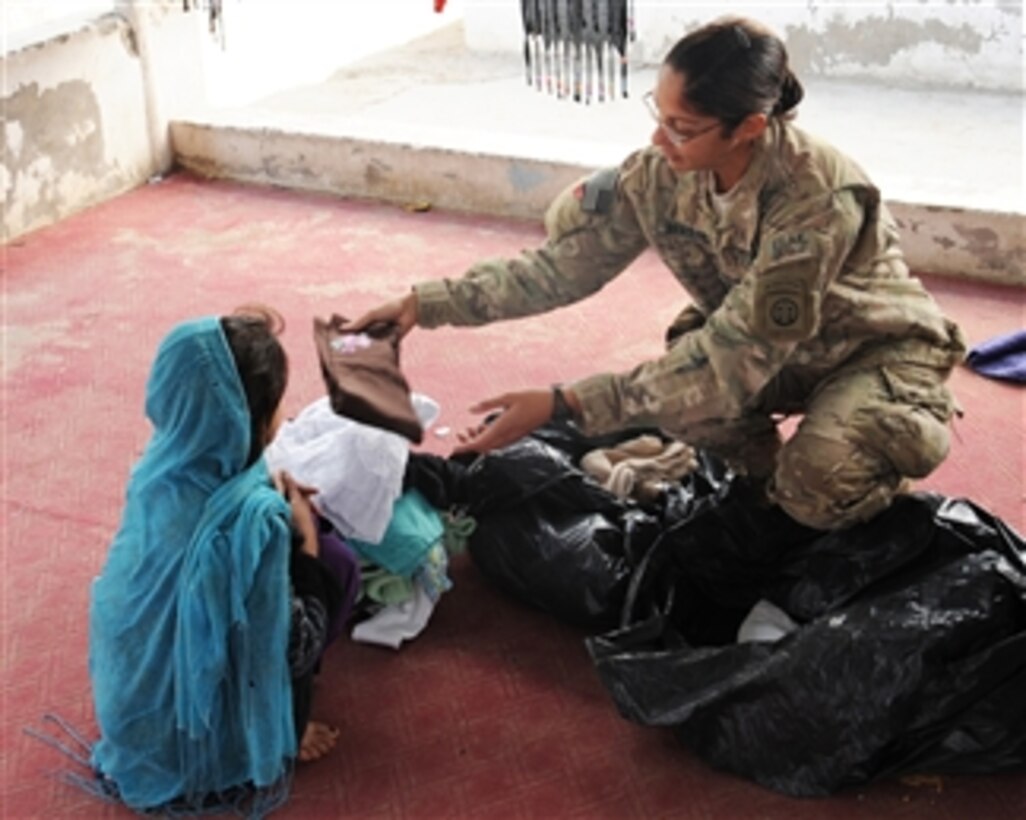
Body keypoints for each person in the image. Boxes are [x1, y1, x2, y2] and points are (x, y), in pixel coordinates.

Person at [348, 15, 966, 531]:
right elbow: (559, 269)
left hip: (871, 351)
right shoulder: (661, 173)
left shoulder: (814, 196)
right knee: (691, 397)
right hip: (774, 349)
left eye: (683, 127)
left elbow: (732, 361)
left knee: (814, 483)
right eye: (660, 114)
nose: (660, 139)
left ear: (749, 127)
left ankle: (857, 473)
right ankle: (758, 492)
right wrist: (423, 304)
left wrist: (561, 405)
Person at [88, 307, 343, 814]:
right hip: (195, 750)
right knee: (334, 568)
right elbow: (294, 644)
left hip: (128, 713)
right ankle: (285, 730)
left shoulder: (156, 472)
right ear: (246, 420)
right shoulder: (255, 522)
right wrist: (307, 539)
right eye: (276, 402)